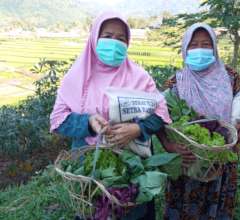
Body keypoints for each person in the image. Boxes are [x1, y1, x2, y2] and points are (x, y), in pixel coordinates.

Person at [50, 11, 171, 220]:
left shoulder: (139, 76)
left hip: (133, 165)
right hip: (91, 167)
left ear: (128, 43)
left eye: (121, 38)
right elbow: (59, 120)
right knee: (95, 210)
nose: (114, 43)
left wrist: (138, 129)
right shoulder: (76, 77)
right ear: (94, 37)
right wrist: (87, 122)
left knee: (133, 210)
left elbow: (160, 113)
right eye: (107, 36)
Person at [159, 23, 240, 219]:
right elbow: (160, 119)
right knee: (183, 208)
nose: (200, 50)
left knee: (217, 207)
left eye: (206, 44)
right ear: (185, 49)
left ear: (214, 48)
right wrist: (169, 145)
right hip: (188, 160)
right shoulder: (175, 82)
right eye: (193, 45)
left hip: (223, 159)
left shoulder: (230, 77)